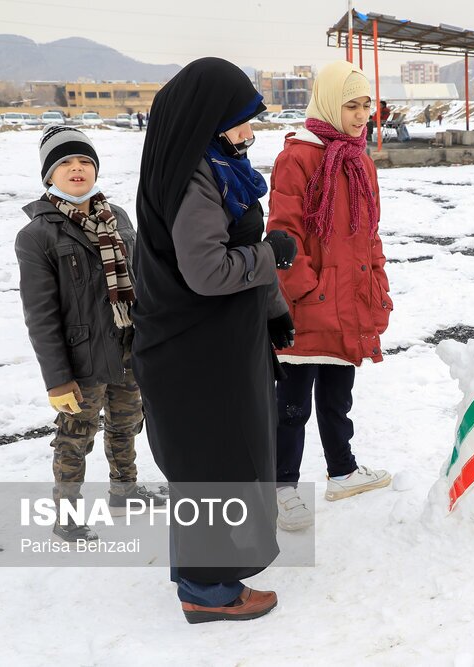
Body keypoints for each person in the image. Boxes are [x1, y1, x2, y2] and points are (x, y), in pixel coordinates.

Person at [132, 57, 298, 624]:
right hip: (196, 355)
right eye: (242, 121)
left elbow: (237, 257)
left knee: (219, 462)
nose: (250, 133)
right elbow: (208, 272)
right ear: (208, 120)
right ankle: (208, 594)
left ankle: (208, 582)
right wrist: (271, 254)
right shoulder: (193, 179)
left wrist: (272, 310)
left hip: (218, 345)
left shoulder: (212, 165)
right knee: (214, 465)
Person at [15, 126, 165, 543]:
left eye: (84, 161)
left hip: (130, 345)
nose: (76, 169)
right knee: (75, 436)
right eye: (64, 162)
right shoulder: (37, 235)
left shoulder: (117, 216)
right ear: (49, 175)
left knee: (127, 421)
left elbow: (141, 278)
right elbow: (41, 315)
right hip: (81, 358)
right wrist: (57, 378)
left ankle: (125, 490)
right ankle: (65, 514)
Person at [266, 60, 393, 531]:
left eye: (366, 105)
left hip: (351, 300)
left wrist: (376, 286)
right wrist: (307, 291)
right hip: (309, 305)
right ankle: (283, 488)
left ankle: (342, 469)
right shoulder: (298, 157)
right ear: (328, 103)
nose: (362, 115)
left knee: (338, 397)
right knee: (293, 406)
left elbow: (370, 234)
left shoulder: (359, 159)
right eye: (352, 105)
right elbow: (283, 234)